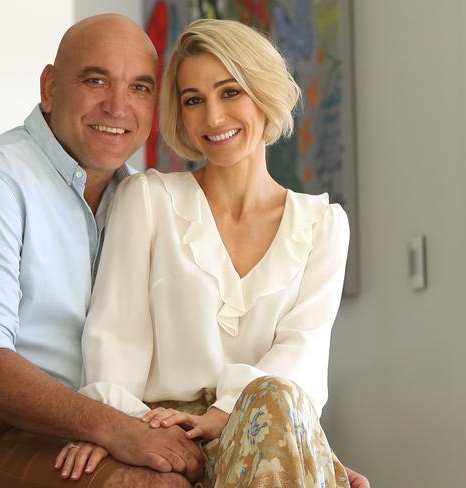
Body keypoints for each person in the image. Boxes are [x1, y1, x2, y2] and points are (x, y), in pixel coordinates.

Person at [55, 18, 370, 488]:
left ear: (263, 94)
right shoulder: (149, 199)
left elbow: (302, 351)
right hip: (162, 428)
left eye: (230, 93)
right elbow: (116, 334)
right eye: (193, 101)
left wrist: (228, 412)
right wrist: (111, 425)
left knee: (274, 398)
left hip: (270, 423)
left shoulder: (323, 225)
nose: (213, 118)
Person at [0, 14, 204, 488]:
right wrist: (115, 428)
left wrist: (303, 456)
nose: (117, 106)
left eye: (140, 88)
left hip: (112, 428)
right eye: (95, 80)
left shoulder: (142, 202)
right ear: (49, 87)